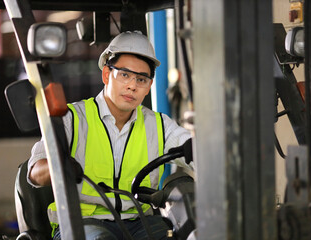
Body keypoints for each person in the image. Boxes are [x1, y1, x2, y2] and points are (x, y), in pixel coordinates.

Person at [27, 30, 192, 240]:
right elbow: (34, 172)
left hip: (140, 221)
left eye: (141, 79)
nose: (132, 85)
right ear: (106, 74)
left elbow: (194, 150)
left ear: (149, 86)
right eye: (124, 75)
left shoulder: (160, 125)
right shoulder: (72, 118)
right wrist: (58, 166)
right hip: (82, 223)